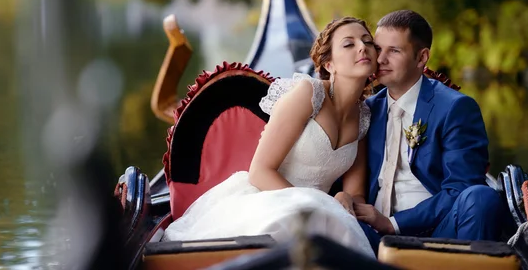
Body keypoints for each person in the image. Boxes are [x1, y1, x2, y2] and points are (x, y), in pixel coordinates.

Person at [162, 17, 378, 258]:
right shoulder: (308, 94)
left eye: (367, 41)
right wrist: (312, 207)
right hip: (269, 199)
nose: (362, 47)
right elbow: (260, 171)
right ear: (329, 65)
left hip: (324, 212)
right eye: (349, 44)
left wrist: (343, 196)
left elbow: (355, 192)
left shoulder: (364, 117)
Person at [351, 9, 506, 253]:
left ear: (422, 58)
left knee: (480, 198)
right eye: (378, 49)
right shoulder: (366, 110)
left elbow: (460, 188)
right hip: (373, 234)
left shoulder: (455, 108)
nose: (380, 60)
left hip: (436, 233)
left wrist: (393, 224)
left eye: (394, 51)